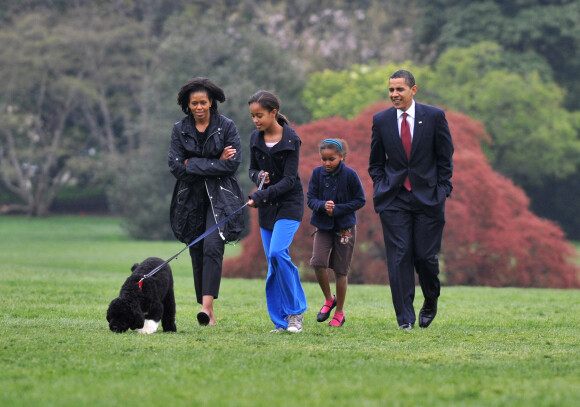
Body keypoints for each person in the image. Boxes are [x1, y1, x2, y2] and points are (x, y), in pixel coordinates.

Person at [368, 70, 454, 330]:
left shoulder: (435, 117)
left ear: (413, 90)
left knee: (426, 257)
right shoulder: (381, 120)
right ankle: (404, 318)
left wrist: (441, 190)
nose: (394, 94)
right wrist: (382, 186)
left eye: (399, 90)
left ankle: (430, 300)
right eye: (391, 90)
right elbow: (375, 163)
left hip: (428, 198)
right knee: (399, 256)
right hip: (394, 199)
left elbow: (445, 158)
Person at [168, 77, 244, 326]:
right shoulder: (180, 129)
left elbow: (232, 165)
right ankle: (207, 310)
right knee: (197, 250)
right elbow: (176, 167)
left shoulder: (227, 126)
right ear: (187, 105)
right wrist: (215, 161)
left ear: (211, 102)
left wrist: (194, 162)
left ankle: (206, 307)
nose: (199, 107)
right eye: (194, 103)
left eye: (203, 102)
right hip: (189, 199)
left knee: (213, 245)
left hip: (220, 198)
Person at [246, 90, 308, 333]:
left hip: (289, 205)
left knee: (278, 252)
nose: (256, 121)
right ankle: (280, 322)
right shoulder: (255, 138)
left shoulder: (291, 140)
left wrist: (261, 195)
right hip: (267, 208)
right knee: (273, 263)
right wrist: (258, 176)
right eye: (253, 116)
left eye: (259, 115)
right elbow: (251, 169)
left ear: (273, 113)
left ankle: (296, 313)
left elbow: (290, 180)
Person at [307, 138, 365, 327]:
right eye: (323, 159)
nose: (326, 163)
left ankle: (339, 312)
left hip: (344, 228)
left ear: (341, 156)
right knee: (317, 262)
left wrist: (338, 209)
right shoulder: (317, 174)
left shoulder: (350, 175)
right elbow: (310, 199)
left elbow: (360, 200)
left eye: (331, 159)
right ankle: (328, 299)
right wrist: (323, 206)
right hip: (323, 226)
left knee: (340, 271)